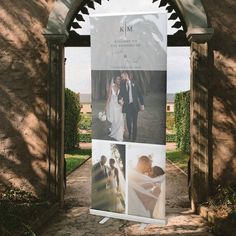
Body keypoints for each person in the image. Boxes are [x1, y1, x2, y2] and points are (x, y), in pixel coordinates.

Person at [118, 71, 144, 142]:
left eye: (122, 76)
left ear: (126, 75)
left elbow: (140, 94)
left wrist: (142, 104)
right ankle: (130, 133)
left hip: (135, 106)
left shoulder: (134, 83)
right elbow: (120, 94)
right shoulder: (122, 84)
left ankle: (134, 138)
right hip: (127, 106)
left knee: (135, 123)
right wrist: (120, 99)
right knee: (128, 122)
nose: (121, 78)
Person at [105, 75, 124, 141]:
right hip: (113, 106)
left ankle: (119, 135)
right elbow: (109, 98)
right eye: (118, 79)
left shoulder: (121, 87)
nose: (119, 80)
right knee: (115, 120)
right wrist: (106, 106)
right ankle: (113, 132)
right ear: (115, 80)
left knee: (120, 119)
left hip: (119, 106)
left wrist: (122, 102)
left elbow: (122, 96)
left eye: (119, 79)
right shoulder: (112, 88)